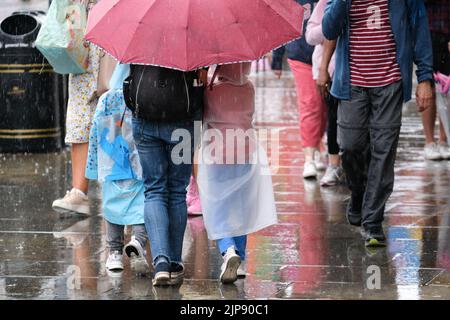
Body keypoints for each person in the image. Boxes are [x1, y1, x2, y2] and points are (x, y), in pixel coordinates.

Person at [323, 0, 434, 247]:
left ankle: (372, 221)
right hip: (352, 82)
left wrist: (424, 77)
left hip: (391, 81)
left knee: (383, 152)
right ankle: (359, 193)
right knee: (350, 146)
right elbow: (329, 29)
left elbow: (419, 27)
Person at [197, 63, 278, 284]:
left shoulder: (213, 89)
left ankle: (228, 249)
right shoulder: (248, 88)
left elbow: (203, 115)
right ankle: (240, 259)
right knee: (240, 207)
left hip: (217, 153)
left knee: (217, 206)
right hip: (245, 151)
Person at [131, 66, 206, 286]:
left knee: (154, 190)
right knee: (176, 191)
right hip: (182, 119)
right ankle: (174, 261)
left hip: (145, 114)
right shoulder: (192, 34)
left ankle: (161, 262)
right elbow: (201, 80)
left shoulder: (138, 33)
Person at [85, 64, 149, 275]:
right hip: (139, 162)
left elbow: (94, 133)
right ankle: (138, 241)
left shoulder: (107, 99)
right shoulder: (143, 95)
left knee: (113, 207)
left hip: (112, 164)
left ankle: (114, 253)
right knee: (141, 206)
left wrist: (93, 166)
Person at [52, 0, 100, 215]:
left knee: (121, 110)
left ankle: (126, 192)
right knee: (80, 111)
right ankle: (79, 191)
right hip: (82, 24)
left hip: (116, 23)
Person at [271, 0, 327, 180]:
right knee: (310, 103)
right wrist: (277, 59)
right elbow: (281, 24)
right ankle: (308, 158)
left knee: (325, 106)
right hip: (300, 55)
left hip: (326, 54)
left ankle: (319, 146)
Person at [305, 0, 344, 186]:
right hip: (330, 71)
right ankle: (334, 164)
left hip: (357, 70)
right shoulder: (326, 3)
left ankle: (353, 164)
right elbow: (310, 36)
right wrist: (330, 26)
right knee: (333, 118)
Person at [421, 0, 450, 160]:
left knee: (448, 89)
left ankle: (444, 140)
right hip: (428, 33)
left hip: (447, 31)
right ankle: (430, 141)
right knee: (428, 86)